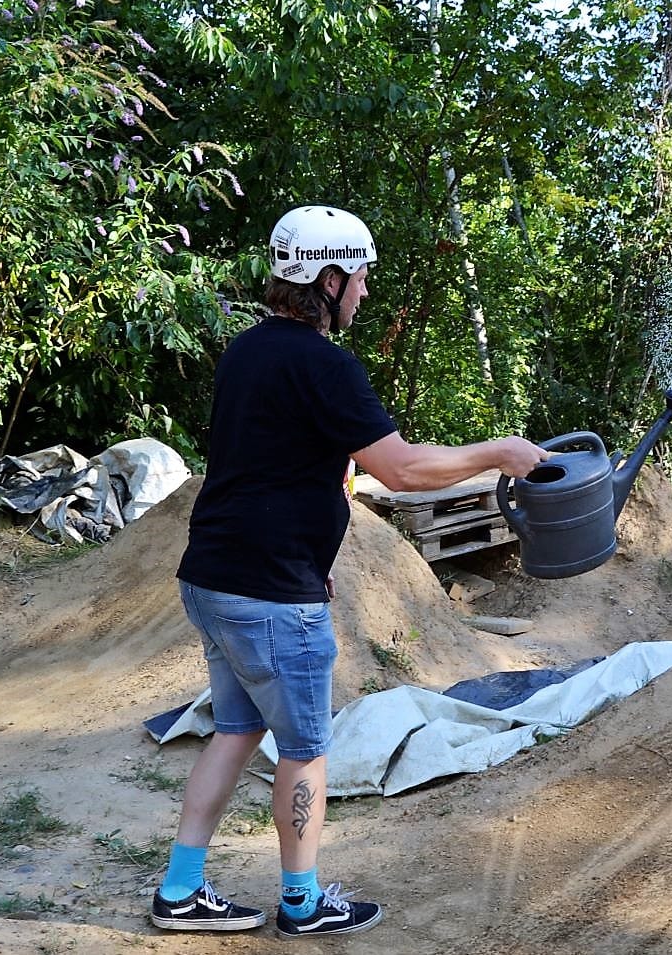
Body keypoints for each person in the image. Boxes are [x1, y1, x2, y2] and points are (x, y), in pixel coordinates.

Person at [150, 205, 550, 938]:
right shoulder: (324, 363)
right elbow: (399, 468)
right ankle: (301, 903)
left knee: (235, 731)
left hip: (212, 577)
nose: (366, 290)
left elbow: (271, 463)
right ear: (326, 278)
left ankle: (180, 887)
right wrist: (499, 450)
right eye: (360, 275)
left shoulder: (248, 350)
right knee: (303, 751)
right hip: (271, 595)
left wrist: (309, 555)